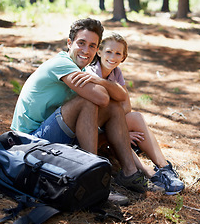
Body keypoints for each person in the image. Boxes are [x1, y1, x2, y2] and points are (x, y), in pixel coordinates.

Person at [11, 18, 148, 194]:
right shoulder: (61, 64)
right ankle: (91, 177)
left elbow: (119, 100)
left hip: (53, 134)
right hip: (30, 142)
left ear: (97, 49)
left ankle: (130, 173)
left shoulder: (82, 70)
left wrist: (117, 133)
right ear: (69, 43)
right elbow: (100, 98)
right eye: (81, 43)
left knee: (113, 109)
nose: (86, 50)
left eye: (92, 46)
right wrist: (101, 87)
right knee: (87, 101)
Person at [85, 33, 185, 195]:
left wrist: (121, 129)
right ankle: (147, 171)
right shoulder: (91, 71)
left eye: (118, 53)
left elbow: (126, 106)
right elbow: (92, 115)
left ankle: (164, 168)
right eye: (109, 51)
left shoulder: (115, 73)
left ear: (123, 57)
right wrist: (119, 132)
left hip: (106, 125)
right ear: (99, 52)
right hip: (88, 132)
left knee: (136, 117)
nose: (113, 57)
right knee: (121, 124)